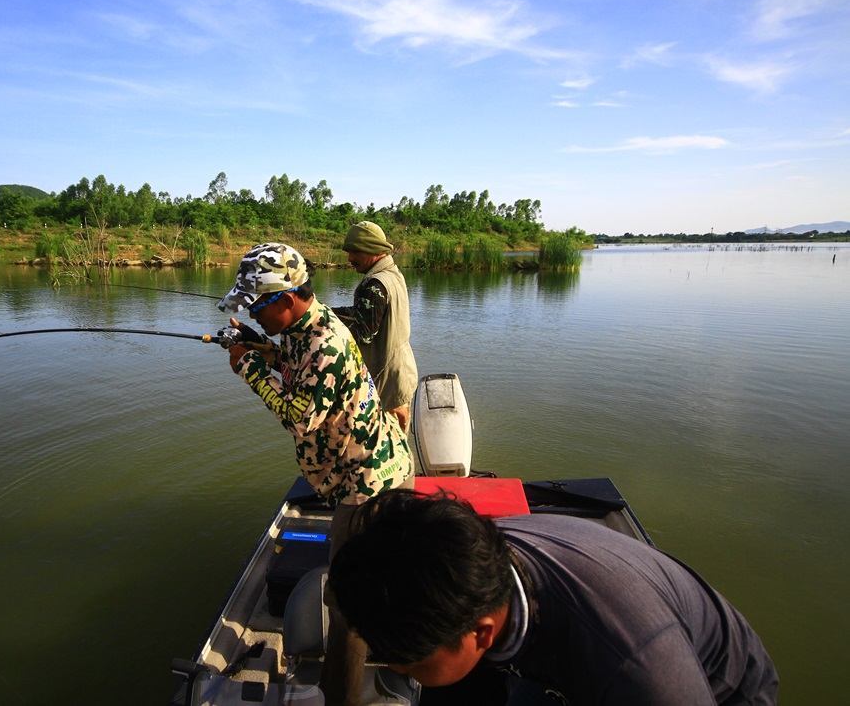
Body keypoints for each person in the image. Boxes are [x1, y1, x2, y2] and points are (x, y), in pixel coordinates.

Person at [328, 490, 779, 706]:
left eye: (405, 660)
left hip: (721, 687)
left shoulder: (640, 674)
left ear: (482, 634)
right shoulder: (467, 558)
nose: (390, 668)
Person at [218, 242, 414, 706]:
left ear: (285, 300)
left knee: (346, 604)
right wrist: (262, 347)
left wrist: (248, 368)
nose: (254, 314)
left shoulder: (325, 342)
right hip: (367, 473)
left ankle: (338, 697)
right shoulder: (307, 325)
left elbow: (299, 415)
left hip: (370, 485)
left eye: (257, 307)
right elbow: (297, 367)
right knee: (375, 582)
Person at [333, 221, 417, 433]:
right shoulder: (392, 273)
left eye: (354, 252)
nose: (350, 258)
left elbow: (363, 334)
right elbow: (364, 313)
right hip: (401, 372)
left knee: (388, 452)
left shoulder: (375, 285)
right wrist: (325, 311)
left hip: (387, 381)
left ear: (371, 249)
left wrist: (322, 324)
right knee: (398, 447)